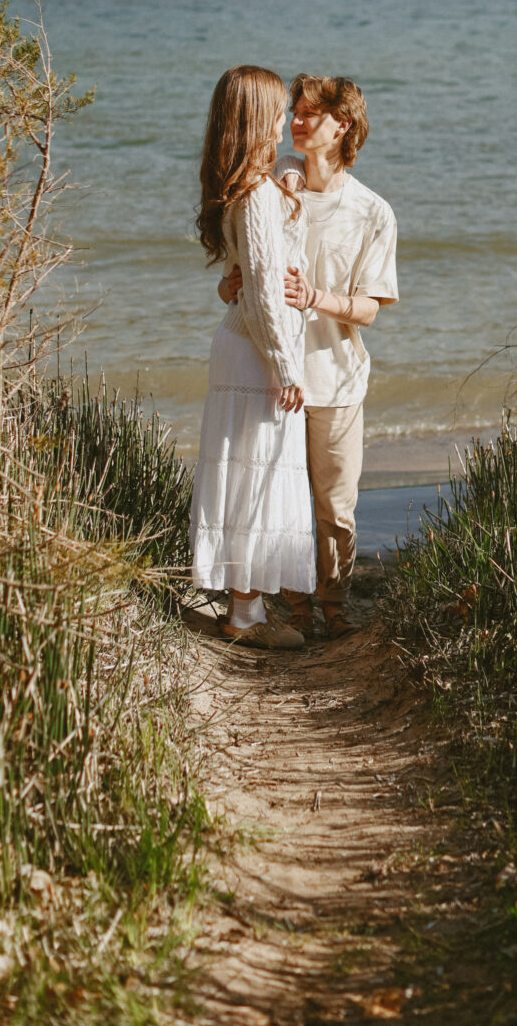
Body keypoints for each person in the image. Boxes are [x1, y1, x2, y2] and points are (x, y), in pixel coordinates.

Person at [220, 74, 397, 639]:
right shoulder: (273, 190)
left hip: (338, 377)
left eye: (310, 114)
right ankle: (294, 607)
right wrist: (233, 286)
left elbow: (371, 308)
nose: (295, 121)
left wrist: (317, 298)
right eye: (293, 112)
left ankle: (336, 607)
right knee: (283, 496)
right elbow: (246, 273)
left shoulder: (372, 212)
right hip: (276, 376)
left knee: (335, 507)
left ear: (342, 126)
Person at [191, 64, 316, 649]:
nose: (285, 119)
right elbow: (263, 293)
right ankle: (247, 618)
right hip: (258, 351)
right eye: (276, 109)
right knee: (259, 475)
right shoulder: (259, 198)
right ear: (254, 117)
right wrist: (287, 367)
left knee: (248, 474)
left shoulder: (246, 191)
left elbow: (244, 278)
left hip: (241, 347)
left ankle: (248, 610)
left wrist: (287, 179)